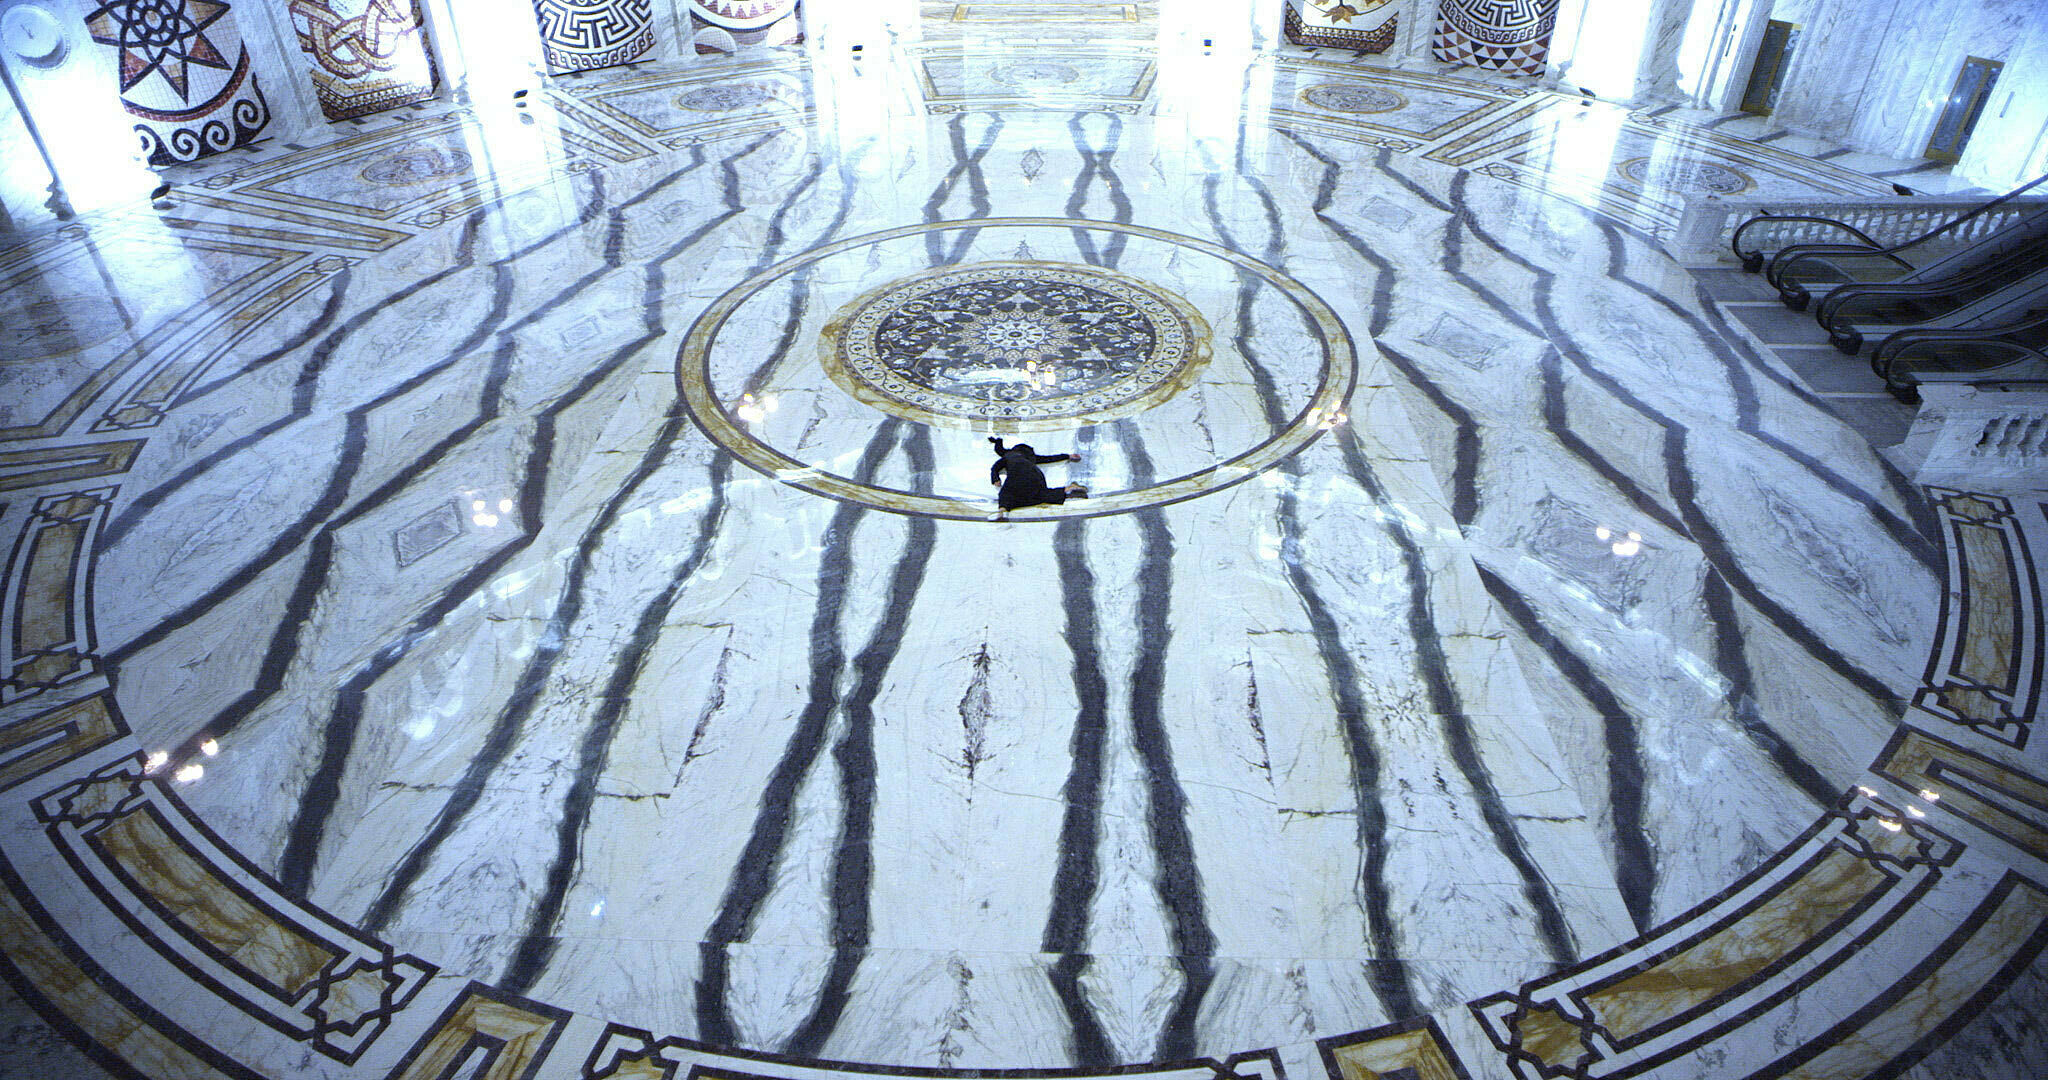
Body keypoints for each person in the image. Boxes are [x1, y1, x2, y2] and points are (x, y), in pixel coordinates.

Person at [988, 437, 1086, 519]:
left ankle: (1002, 511)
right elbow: (1049, 458)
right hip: (1035, 474)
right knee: (1040, 493)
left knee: (1006, 493)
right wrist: (1067, 456)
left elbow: (995, 465)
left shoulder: (1009, 455)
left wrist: (995, 478)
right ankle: (1068, 488)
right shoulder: (1032, 457)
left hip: (1018, 471)